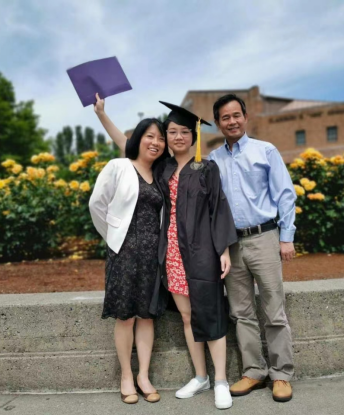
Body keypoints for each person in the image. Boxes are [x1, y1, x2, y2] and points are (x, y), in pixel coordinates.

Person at [94, 95, 238, 410]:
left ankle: (221, 381)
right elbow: (129, 146)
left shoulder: (206, 168)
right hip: (171, 253)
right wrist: (102, 115)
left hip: (202, 252)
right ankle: (200, 377)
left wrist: (224, 250)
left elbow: (218, 209)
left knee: (210, 312)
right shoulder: (163, 168)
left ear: (193, 136)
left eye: (184, 132)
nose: (177, 137)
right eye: (172, 132)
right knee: (186, 316)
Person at [207, 94, 297, 403]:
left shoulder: (265, 150)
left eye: (236, 115)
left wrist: (287, 237)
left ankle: (281, 374)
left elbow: (285, 194)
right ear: (217, 123)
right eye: (225, 117)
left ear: (245, 117)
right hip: (231, 244)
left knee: (273, 308)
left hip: (264, 237)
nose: (232, 121)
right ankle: (254, 371)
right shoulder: (213, 160)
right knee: (241, 312)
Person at [88, 117, 168, 405]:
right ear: (138, 139)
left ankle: (143, 376)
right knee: (125, 317)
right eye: (150, 136)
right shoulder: (119, 166)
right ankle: (126, 376)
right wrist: (113, 236)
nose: (155, 142)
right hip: (123, 254)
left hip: (152, 256)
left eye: (160, 138)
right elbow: (96, 204)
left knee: (146, 316)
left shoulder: (160, 174)